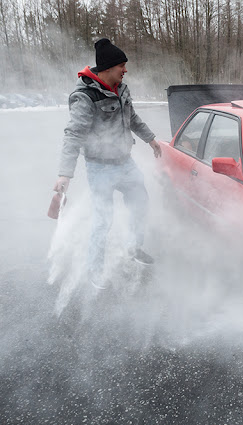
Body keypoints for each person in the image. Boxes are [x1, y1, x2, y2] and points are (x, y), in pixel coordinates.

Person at [53, 38, 162, 289]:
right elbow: (74, 134)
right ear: (107, 68)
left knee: (140, 203)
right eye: (121, 65)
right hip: (100, 167)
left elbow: (132, 116)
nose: (125, 70)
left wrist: (151, 139)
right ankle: (94, 271)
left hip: (125, 162)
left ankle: (133, 249)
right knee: (103, 220)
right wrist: (64, 174)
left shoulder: (122, 88)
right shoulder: (85, 96)